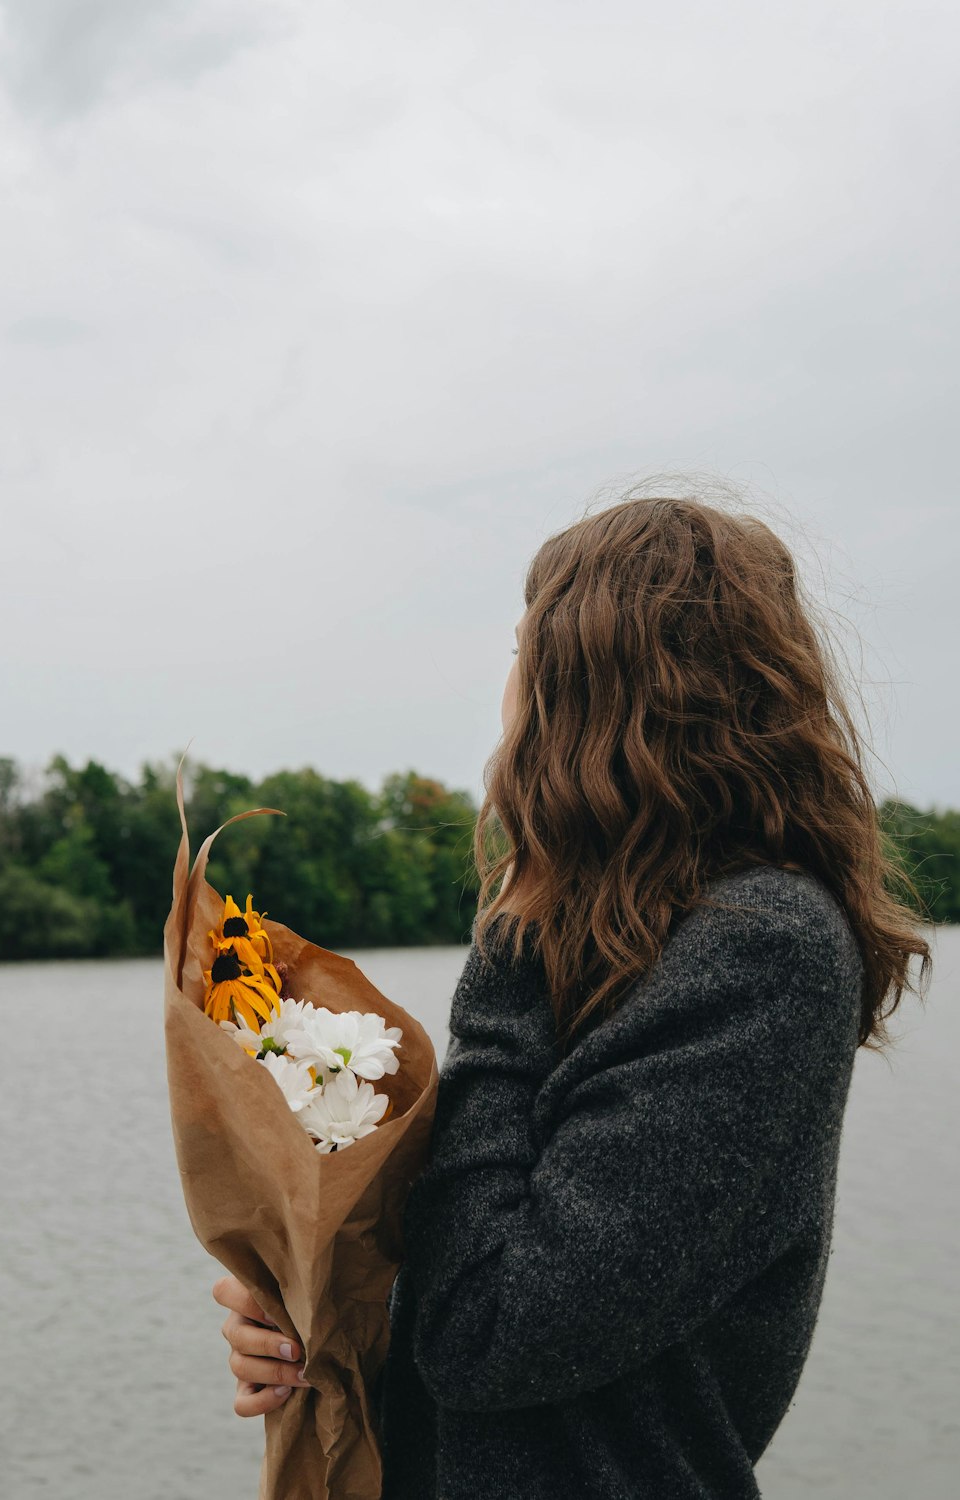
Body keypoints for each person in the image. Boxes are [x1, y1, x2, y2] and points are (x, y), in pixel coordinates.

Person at [213, 493, 932, 1497]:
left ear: (586, 688)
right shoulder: (630, 945)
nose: (504, 693)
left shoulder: (760, 950)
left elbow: (493, 1330)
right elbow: (490, 1311)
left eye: (523, 653)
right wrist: (325, 1330)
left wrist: (509, 944)